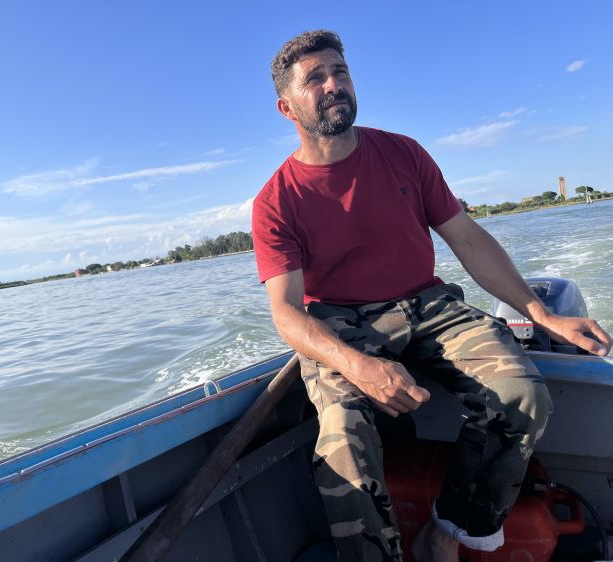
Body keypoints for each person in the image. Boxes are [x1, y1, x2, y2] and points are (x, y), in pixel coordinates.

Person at [251, 30, 612, 562]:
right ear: (287, 106)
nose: (334, 85)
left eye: (340, 72)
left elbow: (466, 237)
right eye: (316, 78)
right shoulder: (276, 201)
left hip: (426, 305)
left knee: (521, 394)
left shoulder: (403, 154)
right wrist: (359, 366)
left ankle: (447, 533)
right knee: (343, 442)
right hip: (341, 323)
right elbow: (286, 310)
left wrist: (541, 315)